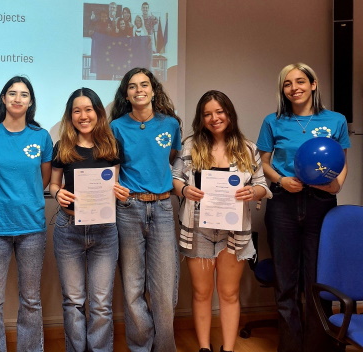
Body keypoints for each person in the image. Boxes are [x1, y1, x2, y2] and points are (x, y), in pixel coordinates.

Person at [256, 63, 350, 352]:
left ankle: (319, 345)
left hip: (321, 204)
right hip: (283, 204)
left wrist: (335, 186)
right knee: (285, 282)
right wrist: (282, 180)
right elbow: (264, 163)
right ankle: (291, 345)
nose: (294, 87)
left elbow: (341, 161)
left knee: (318, 281)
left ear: (313, 84)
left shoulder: (336, 120)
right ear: (282, 90)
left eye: (300, 81)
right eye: (287, 83)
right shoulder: (273, 121)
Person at [172, 90, 271, 352]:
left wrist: (254, 192)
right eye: (207, 114)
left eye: (219, 111)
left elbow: (262, 184)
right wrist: (183, 190)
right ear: (201, 118)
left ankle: (228, 349)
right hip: (198, 230)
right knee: (201, 293)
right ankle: (205, 347)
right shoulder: (192, 145)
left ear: (229, 113)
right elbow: (176, 178)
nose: (214, 118)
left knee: (228, 294)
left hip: (234, 232)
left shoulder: (248, 148)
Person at [0, 76, 52, 352]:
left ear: (31, 102)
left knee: (30, 298)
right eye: (12, 93)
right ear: (3, 99)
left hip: (31, 226)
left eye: (24, 94)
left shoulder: (41, 137)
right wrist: (1, 198)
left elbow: (43, 180)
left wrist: (23, 198)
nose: (18, 98)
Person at [50, 88, 130, 352]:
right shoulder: (62, 147)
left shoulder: (112, 146)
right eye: (76, 110)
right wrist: (58, 193)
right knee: (73, 300)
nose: (83, 116)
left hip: (105, 231)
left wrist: (120, 193)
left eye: (88, 110)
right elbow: (53, 184)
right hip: (68, 229)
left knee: (101, 301)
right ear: (70, 115)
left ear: (98, 113)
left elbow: (115, 184)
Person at [109, 67, 182, 352]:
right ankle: (141, 346)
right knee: (132, 286)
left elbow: (172, 158)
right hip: (128, 209)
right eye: (132, 86)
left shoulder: (170, 124)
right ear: (126, 94)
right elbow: (114, 167)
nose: (139, 89)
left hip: (162, 207)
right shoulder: (116, 127)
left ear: (153, 89)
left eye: (144, 84)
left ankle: (164, 347)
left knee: (164, 288)